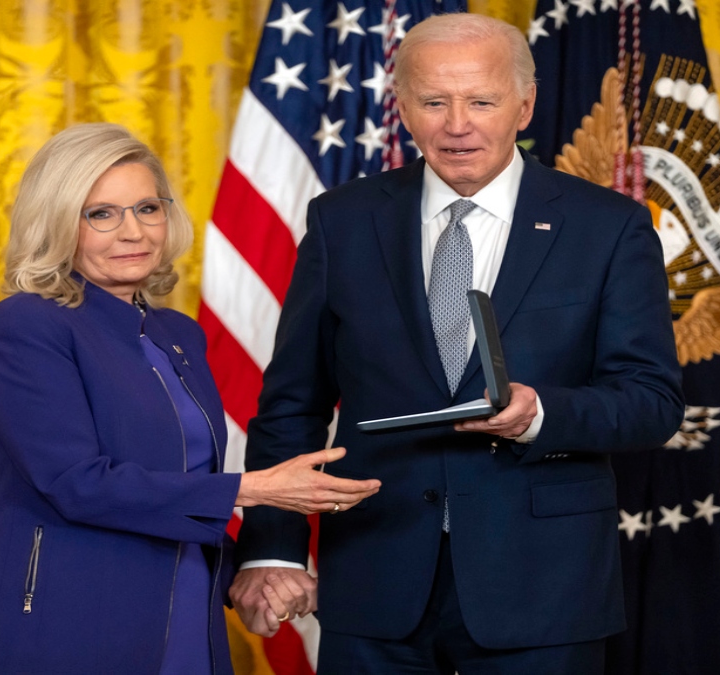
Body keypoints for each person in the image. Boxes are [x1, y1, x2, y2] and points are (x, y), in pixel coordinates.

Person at [229, 13, 684, 674]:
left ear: (524, 105)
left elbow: (652, 400)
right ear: (403, 108)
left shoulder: (609, 228)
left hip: (541, 588)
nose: (457, 123)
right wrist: (273, 549)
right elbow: (291, 403)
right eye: (434, 101)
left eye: (481, 101)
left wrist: (540, 413)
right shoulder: (342, 221)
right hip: (374, 577)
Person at [0, 123, 380, 674]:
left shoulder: (177, 333)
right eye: (101, 214)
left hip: (185, 611)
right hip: (68, 620)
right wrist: (251, 489)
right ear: (58, 223)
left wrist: (247, 574)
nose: (133, 231)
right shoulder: (21, 327)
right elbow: (77, 484)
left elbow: (172, 490)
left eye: (147, 208)